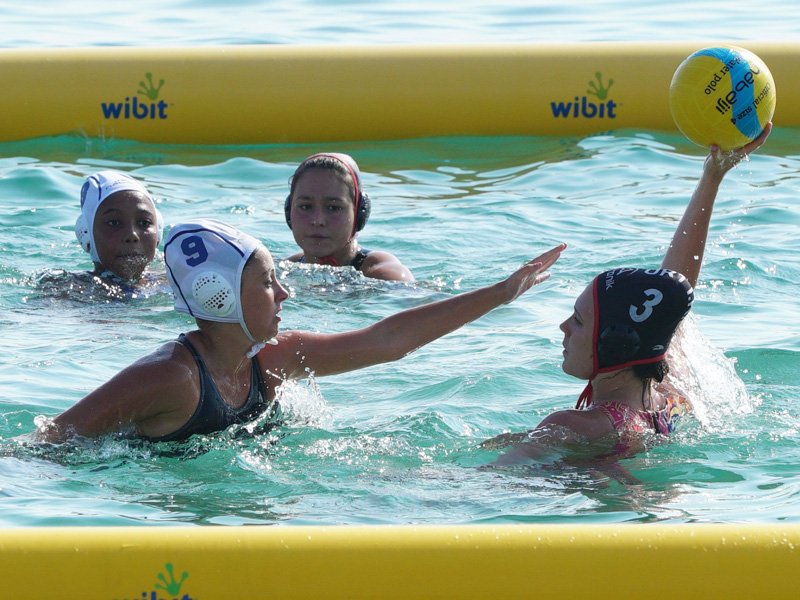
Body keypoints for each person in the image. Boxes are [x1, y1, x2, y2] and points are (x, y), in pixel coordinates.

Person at [35, 217, 564, 443]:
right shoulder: (172, 378)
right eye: (268, 283)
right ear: (220, 296)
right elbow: (51, 442)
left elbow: (388, 342)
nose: (284, 294)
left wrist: (499, 294)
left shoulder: (272, 357)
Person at [487, 124, 772, 467]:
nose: (563, 327)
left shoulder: (572, 426)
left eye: (579, 321)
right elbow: (672, 294)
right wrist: (712, 177)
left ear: (614, 344)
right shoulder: (671, 396)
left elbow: (492, 480)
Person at [284, 153, 414, 282]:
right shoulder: (284, 272)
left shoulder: (385, 276)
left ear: (359, 214)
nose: (318, 221)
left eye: (333, 208)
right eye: (305, 206)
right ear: (289, 210)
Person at [73, 170, 164, 285]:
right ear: (87, 234)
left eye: (144, 222)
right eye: (114, 223)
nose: (132, 235)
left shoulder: (178, 279)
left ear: (158, 233)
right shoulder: (65, 290)